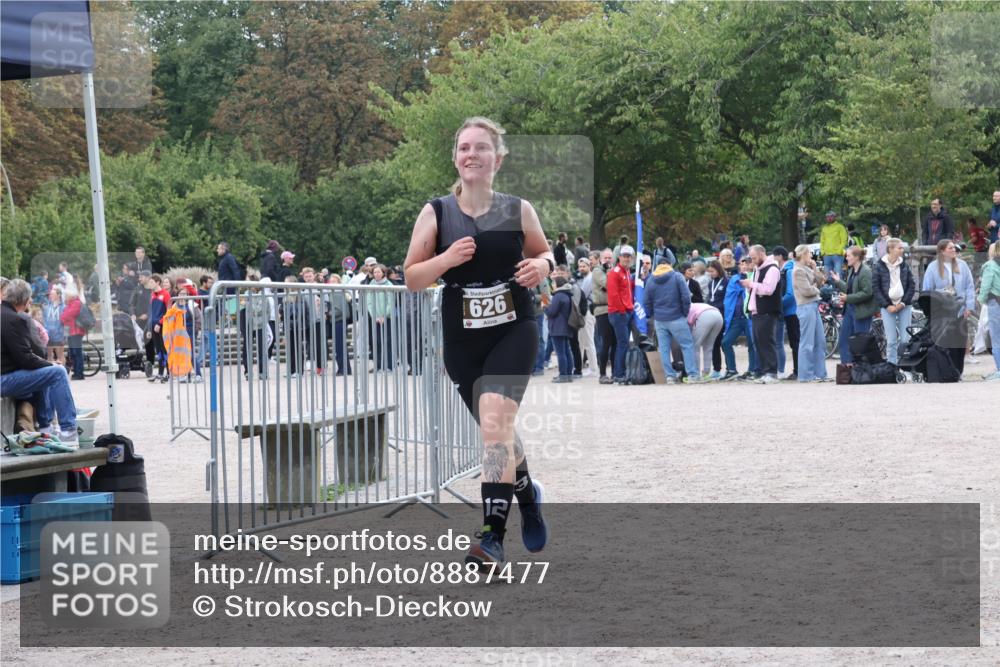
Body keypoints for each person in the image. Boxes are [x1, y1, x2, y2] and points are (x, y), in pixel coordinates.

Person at [403, 117, 550, 569]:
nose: (471, 154)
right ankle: (525, 490)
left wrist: (542, 268)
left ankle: (490, 536)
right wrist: (445, 258)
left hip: (514, 327)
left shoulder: (518, 208)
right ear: (455, 157)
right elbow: (411, 277)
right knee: (497, 432)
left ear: (497, 159)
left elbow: (544, 253)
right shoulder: (436, 213)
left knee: (494, 426)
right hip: (463, 340)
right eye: (464, 147)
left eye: (481, 148)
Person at [0, 280, 78, 445]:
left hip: (5, 375)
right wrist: (51, 365)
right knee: (57, 373)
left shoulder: (5, 315)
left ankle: (45, 429)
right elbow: (26, 358)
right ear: (26, 300)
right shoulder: (14, 319)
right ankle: (68, 429)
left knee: (45, 373)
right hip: (4, 380)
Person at [922, 239, 976, 375]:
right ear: (942, 251)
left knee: (959, 343)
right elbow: (927, 290)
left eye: (954, 248)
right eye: (951, 248)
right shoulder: (932, 267)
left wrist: (969, 307)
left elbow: (970, 287)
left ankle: (958, 371)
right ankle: (946, 370)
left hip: (960, 310)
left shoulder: (962, 266)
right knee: (945, 342)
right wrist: (942, 293)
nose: (954, 250)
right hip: (942, 311)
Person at [643, 258, 698, 384]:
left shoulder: (651, 279)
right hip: (677, 317)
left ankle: (669, 376)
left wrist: (653, 314)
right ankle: (692, 375)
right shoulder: (677, 276)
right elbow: (686, 297)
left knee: (664, 348)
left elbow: (646, 301)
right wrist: (684, 313)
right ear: (670, 265)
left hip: (659, 319)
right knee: (687, 345)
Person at [873, 238, 916, 365]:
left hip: (904, 305)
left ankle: (904, 365)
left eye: (902, 248)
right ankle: (891, 366)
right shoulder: (879, 266)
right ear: (891, 249)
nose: (902, 250)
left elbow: (911, 286)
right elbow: (876, 288)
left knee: (905, 339)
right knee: (891, 340)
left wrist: (903, 303)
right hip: (888, 307)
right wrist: (887, 305)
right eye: (900, 248)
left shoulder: (904, 265)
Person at [830, 246, 877, 364]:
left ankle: (860, 368)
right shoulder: (852, 271)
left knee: (860, 342)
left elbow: (868, 292)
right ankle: (847, 368)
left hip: (861, 311)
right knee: (844, 340)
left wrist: (848, 298)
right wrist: (838, 281)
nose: (846, 258)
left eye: (848, 255)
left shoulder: (865, 271)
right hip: (850, 309)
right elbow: (849, 289)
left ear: (856, 257)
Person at [792, 244, 830, 382]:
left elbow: (821, 281)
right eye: (809, 254)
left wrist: (814, 268)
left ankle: (820, 373)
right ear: (803, 254)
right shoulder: (798, 271)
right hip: (805, 306)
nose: (811, 256)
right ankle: (806, 375)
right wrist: (819, 290)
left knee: (820, 341)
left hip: (813, 305)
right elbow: (806, 291)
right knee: (807, 343)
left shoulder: (807, 269)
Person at [721, 256, 757, 380]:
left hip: (749, 317)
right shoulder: (734, 280)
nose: (744, 266)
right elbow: (730, 296)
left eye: (747, 264)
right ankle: (731, 370)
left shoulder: (755, 277)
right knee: (725, 342)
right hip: (736, 317)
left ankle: (752, 370)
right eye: (742, 264)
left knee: (752, 343)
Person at [607, 245, 636, 384]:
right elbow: (613, 295)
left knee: (622, 343)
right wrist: (623, 311)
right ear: (619, 257)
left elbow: (628, 291)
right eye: (624, 255)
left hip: (626, 311)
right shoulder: (615, 272)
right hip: (619, 313)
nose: (626, 258)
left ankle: (620, 372)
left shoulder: (627, 272)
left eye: (628, 256)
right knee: (623, 343)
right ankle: (619, 374)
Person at [772, 246, 799, 380]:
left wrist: (777, 305)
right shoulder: (784, 270)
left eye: (774, 256)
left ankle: (798, 371)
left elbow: (790, 293)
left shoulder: (788, 270)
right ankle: (797, 370)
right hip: (788, 311)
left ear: (779, 257)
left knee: (795, 342)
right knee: (794, 342)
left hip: (792, 311)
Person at [545, 276, 574, 382]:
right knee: (566, 351)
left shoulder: (558, 296)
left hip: (557, 328)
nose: (552, 285)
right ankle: (568, 375)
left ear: (558, 284)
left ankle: (563, 375)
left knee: (561, 353)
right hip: (566, 327)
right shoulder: (567, 294)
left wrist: (545, 305)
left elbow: (551, 312)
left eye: (553, 283)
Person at [978, 241, 1000, 381]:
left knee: (996, 338)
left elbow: (986, 286)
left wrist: (981, 300)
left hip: (995, 302)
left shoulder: (990, 266)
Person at [592, 248, 614, 384]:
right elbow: (608, 284)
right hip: (602, 310)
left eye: (610, 257)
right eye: (605, 258)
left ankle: (616, 372)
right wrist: (611, 271)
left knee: (616, 343)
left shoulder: (612, 270)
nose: (608, 260)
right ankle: (602, 374)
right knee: (605, 343)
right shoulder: (597, 271)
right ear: (600, 259)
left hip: (615, 310)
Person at [367, 264, 395, 372]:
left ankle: (389, 365)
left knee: (387, 341)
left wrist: (384, 315)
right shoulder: (371, 284)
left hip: (386, 318)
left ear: (383, 272)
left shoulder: (389, 284)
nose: (376, 274)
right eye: (374, 272)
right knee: (376, 342)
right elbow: (369, 302)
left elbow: (390, 301)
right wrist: (374, 316)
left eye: (378, 272)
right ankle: (378, 365)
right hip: (375, 318)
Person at [687, 302, 723, 380]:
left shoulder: (683, 309)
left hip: (704, 315)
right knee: (708, 347)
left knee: (694, 347)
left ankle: (695, 374)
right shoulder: (693, 305)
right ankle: (706, 374)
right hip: (718, 315)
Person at [705, 260, 728, 379]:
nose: (711, 274)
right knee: (713, 343)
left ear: (718, 270)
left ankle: (730, 369)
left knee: (723, 343)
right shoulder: (711, 283)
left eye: (712, 271)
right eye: (709, 272)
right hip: (712, 316)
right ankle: (716, 369)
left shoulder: (726, 281)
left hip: (722, 316)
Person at [576, 257, 598, 377]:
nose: (581, 268)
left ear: (589, 266)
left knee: (589, 341)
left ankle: (594, 369)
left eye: (584, 266)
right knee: (581, 341)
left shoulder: (589, 278)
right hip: (583, 312)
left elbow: (581, 294)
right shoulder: (584, 278)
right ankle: (579, 367)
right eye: (580, 266)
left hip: (588, 312)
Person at [60, 283, 86, 381]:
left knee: (77, 353)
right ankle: (76, 371)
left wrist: (63, 317)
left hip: (76, 331)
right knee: (73, 353)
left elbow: (67, 316)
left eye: (66, 296)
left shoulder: (76, 303)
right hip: (71, 331)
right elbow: (64, 316)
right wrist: (63, 317)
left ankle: (79, 373)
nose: (65, 298)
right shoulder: (70, 304)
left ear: (71, 296)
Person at [819, 210, 848, 279]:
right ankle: (830, 289)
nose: (829, 218)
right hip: (826, 255)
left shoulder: (840, 227)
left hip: (837, 255)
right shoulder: (824, 228)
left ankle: (838, 289)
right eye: (827, 217)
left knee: (838, 274)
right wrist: (823, 252)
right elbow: (822, 241)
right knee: (827, 276)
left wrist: (839, 251)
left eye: (831, 216)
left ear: (835, 217)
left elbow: (844, 240)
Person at [43, 286, 66, 367]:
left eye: (53, 294)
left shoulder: (63, 307)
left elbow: (65, 321)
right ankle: (50, 374)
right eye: (50, 294)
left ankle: (64, 373)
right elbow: (45, 319)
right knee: (49, 356)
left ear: (58, 295)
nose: (50, 295)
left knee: (60, 356)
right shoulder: (47, 306)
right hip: (48, 334)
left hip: (59, 334)